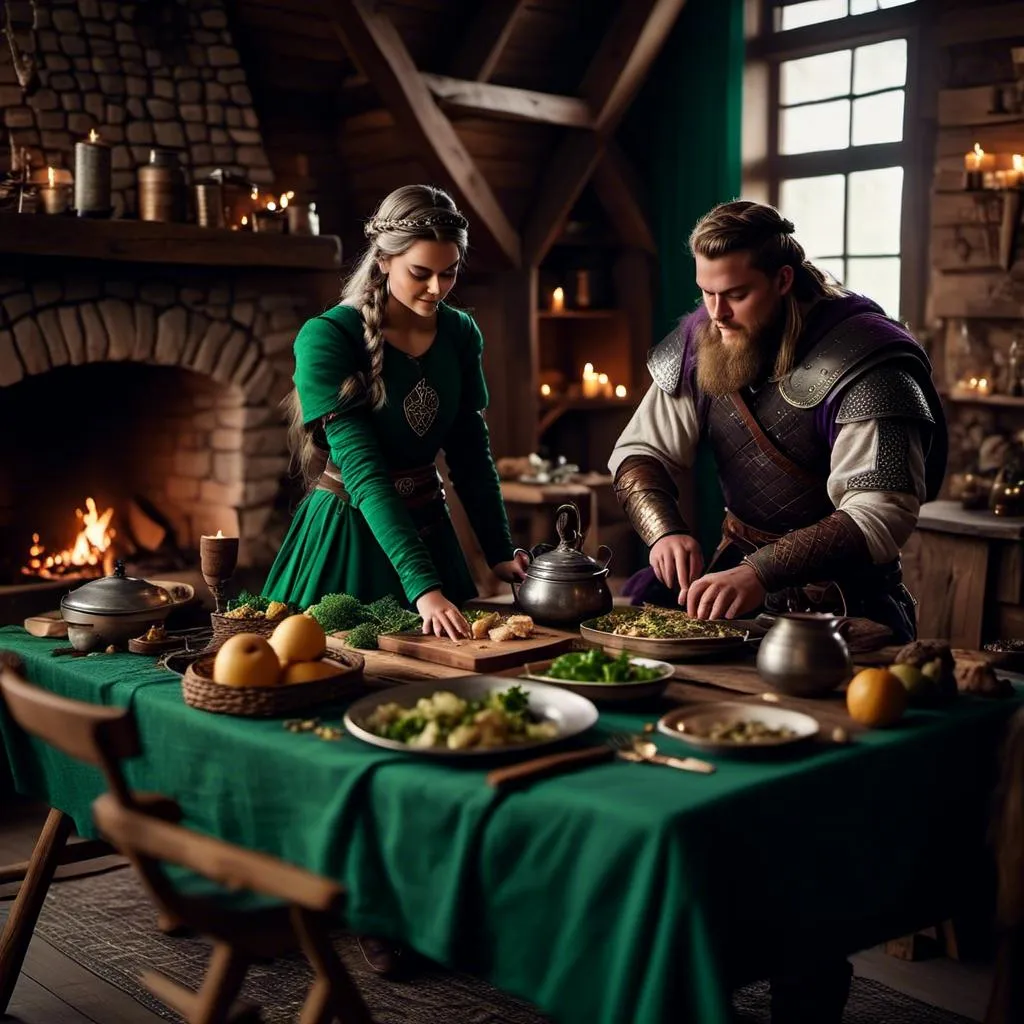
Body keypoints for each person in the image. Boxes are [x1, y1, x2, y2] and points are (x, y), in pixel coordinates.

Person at [263, 184, 526, 976]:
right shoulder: (328, 337)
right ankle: (356, 900)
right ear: (382, 259)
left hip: (431, 539)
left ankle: (438, 892)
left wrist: (502, 551)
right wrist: (425, 588)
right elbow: (367, 473)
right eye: (421, 273)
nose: (438, 289)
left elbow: (471, 454)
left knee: (438, 721)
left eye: (449, 273)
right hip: (349, 534)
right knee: (344, 727)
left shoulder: (461, 333)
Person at [610, 199, 947, 647]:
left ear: (783, 279)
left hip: (845, 613)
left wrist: (760, 571)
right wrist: (663, 530)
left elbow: (879, 513)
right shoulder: (703, 339)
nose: (716, 314)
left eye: (735, 294)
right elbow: (638, 451)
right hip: (733, 601)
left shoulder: (867, 362)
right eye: (706, 293)